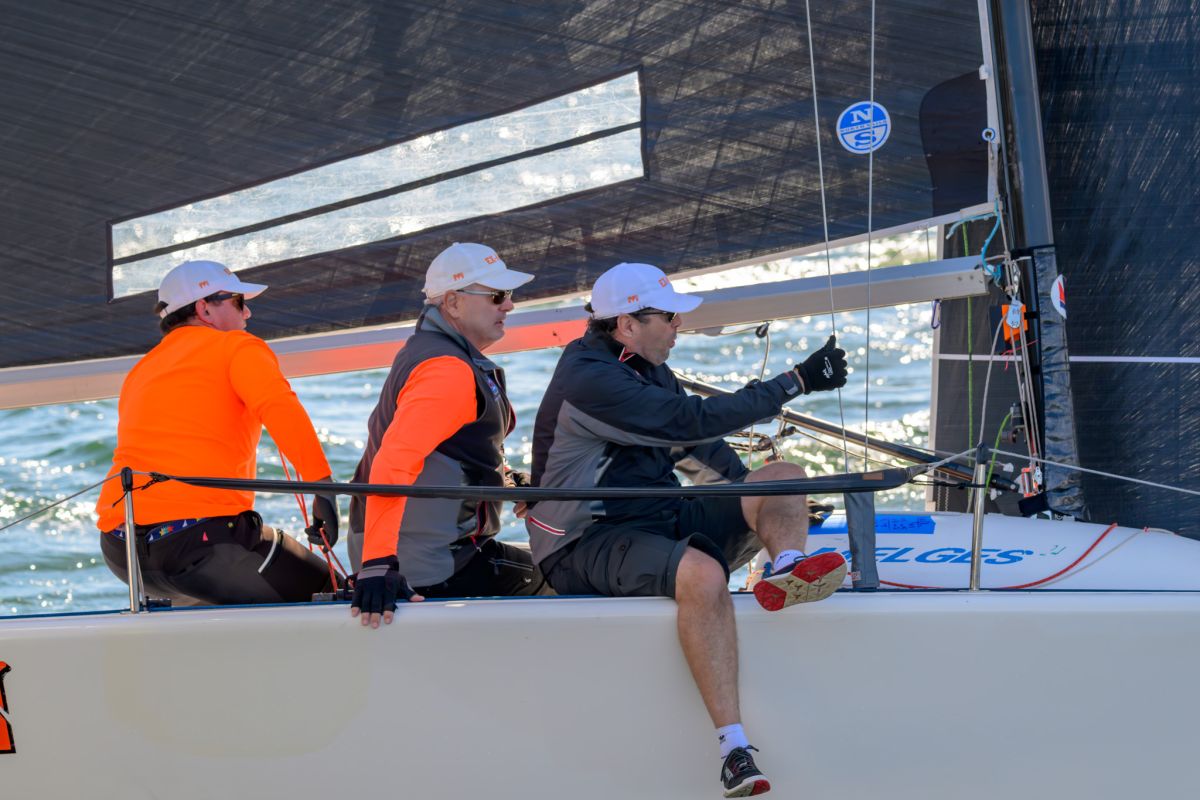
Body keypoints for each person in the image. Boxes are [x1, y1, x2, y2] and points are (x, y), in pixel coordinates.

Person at [525, 262, 849, 797]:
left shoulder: (648, 368)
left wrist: (761, 505)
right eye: (670, 317)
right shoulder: (590, 378)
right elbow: (689, 421)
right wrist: (795, 381)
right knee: (701, 574)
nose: (679, 325)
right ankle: (734, 749)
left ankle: (788, 569)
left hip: (656, 518)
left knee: (782, 477)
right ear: (627, 324)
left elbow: (699, 449)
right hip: (584, 541)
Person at [95, 260, 341, 606]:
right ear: (204, 308)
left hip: (122, 552)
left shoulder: (141, 369)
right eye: (238, 302)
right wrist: (323, 488)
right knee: (336, 593)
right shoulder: (237, 346)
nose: (247, 312)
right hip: (198, 547)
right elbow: (280, 408)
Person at [348, 242, 551, 628]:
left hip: (420, 553)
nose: (509, 305)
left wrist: (508, 481)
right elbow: (392, 465)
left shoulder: (429, 351)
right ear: (454, 303)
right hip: (432, 566)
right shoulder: (447, 370)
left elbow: (450, 454)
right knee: (564, 577)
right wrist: (378, 565)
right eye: (497, 296)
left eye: (509, 294)